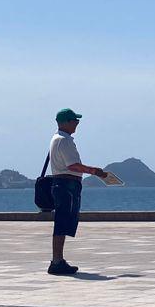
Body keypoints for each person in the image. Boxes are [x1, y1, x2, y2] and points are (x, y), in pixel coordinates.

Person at [46, 109, 108, 275]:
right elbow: (72, 165)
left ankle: (58, 259)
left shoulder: (57, 139)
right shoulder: (64, 141)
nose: (77, 124)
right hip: (67, 184)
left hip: (63, 183)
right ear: (66, 122)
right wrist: (94, 171)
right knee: (62, 222)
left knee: (62, 221)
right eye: (75, 121)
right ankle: (57, 261)